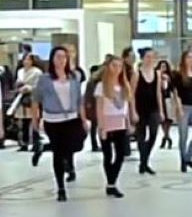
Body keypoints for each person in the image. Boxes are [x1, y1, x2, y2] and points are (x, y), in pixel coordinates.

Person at [31, 47, 89, 202]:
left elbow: (79, 100)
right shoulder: (44, 79)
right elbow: (36, 100)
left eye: (64, 57)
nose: (62, 60)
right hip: (53, 120)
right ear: (52, 59)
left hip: (72, 118)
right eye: (58, 57)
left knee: (76, 145)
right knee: (59, 153)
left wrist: (84, 120)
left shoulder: (74, 77)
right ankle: (61, 187)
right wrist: (35, 119)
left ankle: (44, 148)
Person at [96, 56, 136, 198]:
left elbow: (126, 107)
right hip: (107, 123)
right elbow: (99, 107)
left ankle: (112, 182)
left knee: (120, 154)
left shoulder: (124, 86)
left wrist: (129, 123)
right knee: (108, 155)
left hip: (121, 123)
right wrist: (102, 127)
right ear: (108, 67)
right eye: (114, 65)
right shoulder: (101, 86)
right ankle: (110, 183)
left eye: (119, 66)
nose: (117, 69)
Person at [132, 48, 163, 175]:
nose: (150, 60)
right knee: (141, 136)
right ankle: (143, 162)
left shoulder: (157, 74)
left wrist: (161, 110)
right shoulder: (137, 74)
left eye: (152, 57)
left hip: (153, 109)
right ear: (142, 59)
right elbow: (132, 94)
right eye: (148, 57)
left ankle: (144, 160)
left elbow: (158, 93)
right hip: (140, 109)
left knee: (153, 134)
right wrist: (132, 111)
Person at [14, 52, 42, 151]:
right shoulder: (20, 71)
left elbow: (39, 86)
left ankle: (36, 143)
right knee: (24, 123)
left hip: (33, 98)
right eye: (25, 59)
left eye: (29, 59)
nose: (26, 62)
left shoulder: (37, 72)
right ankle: (24, 143)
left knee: (34, 121)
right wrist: (19, 86)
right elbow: (17, 82)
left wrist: (29, 88)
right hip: (22, 98)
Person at [156, 60, 175, 149]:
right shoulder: (156, 76)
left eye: (164, 66)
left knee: (168, 119)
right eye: (161, 66)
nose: (163, 68)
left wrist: (168, 80)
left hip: (168, 99)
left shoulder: (170, 77)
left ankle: (166, 137)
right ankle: (167, 137)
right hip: (160, 100)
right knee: (162, 120)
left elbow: (172, 89)